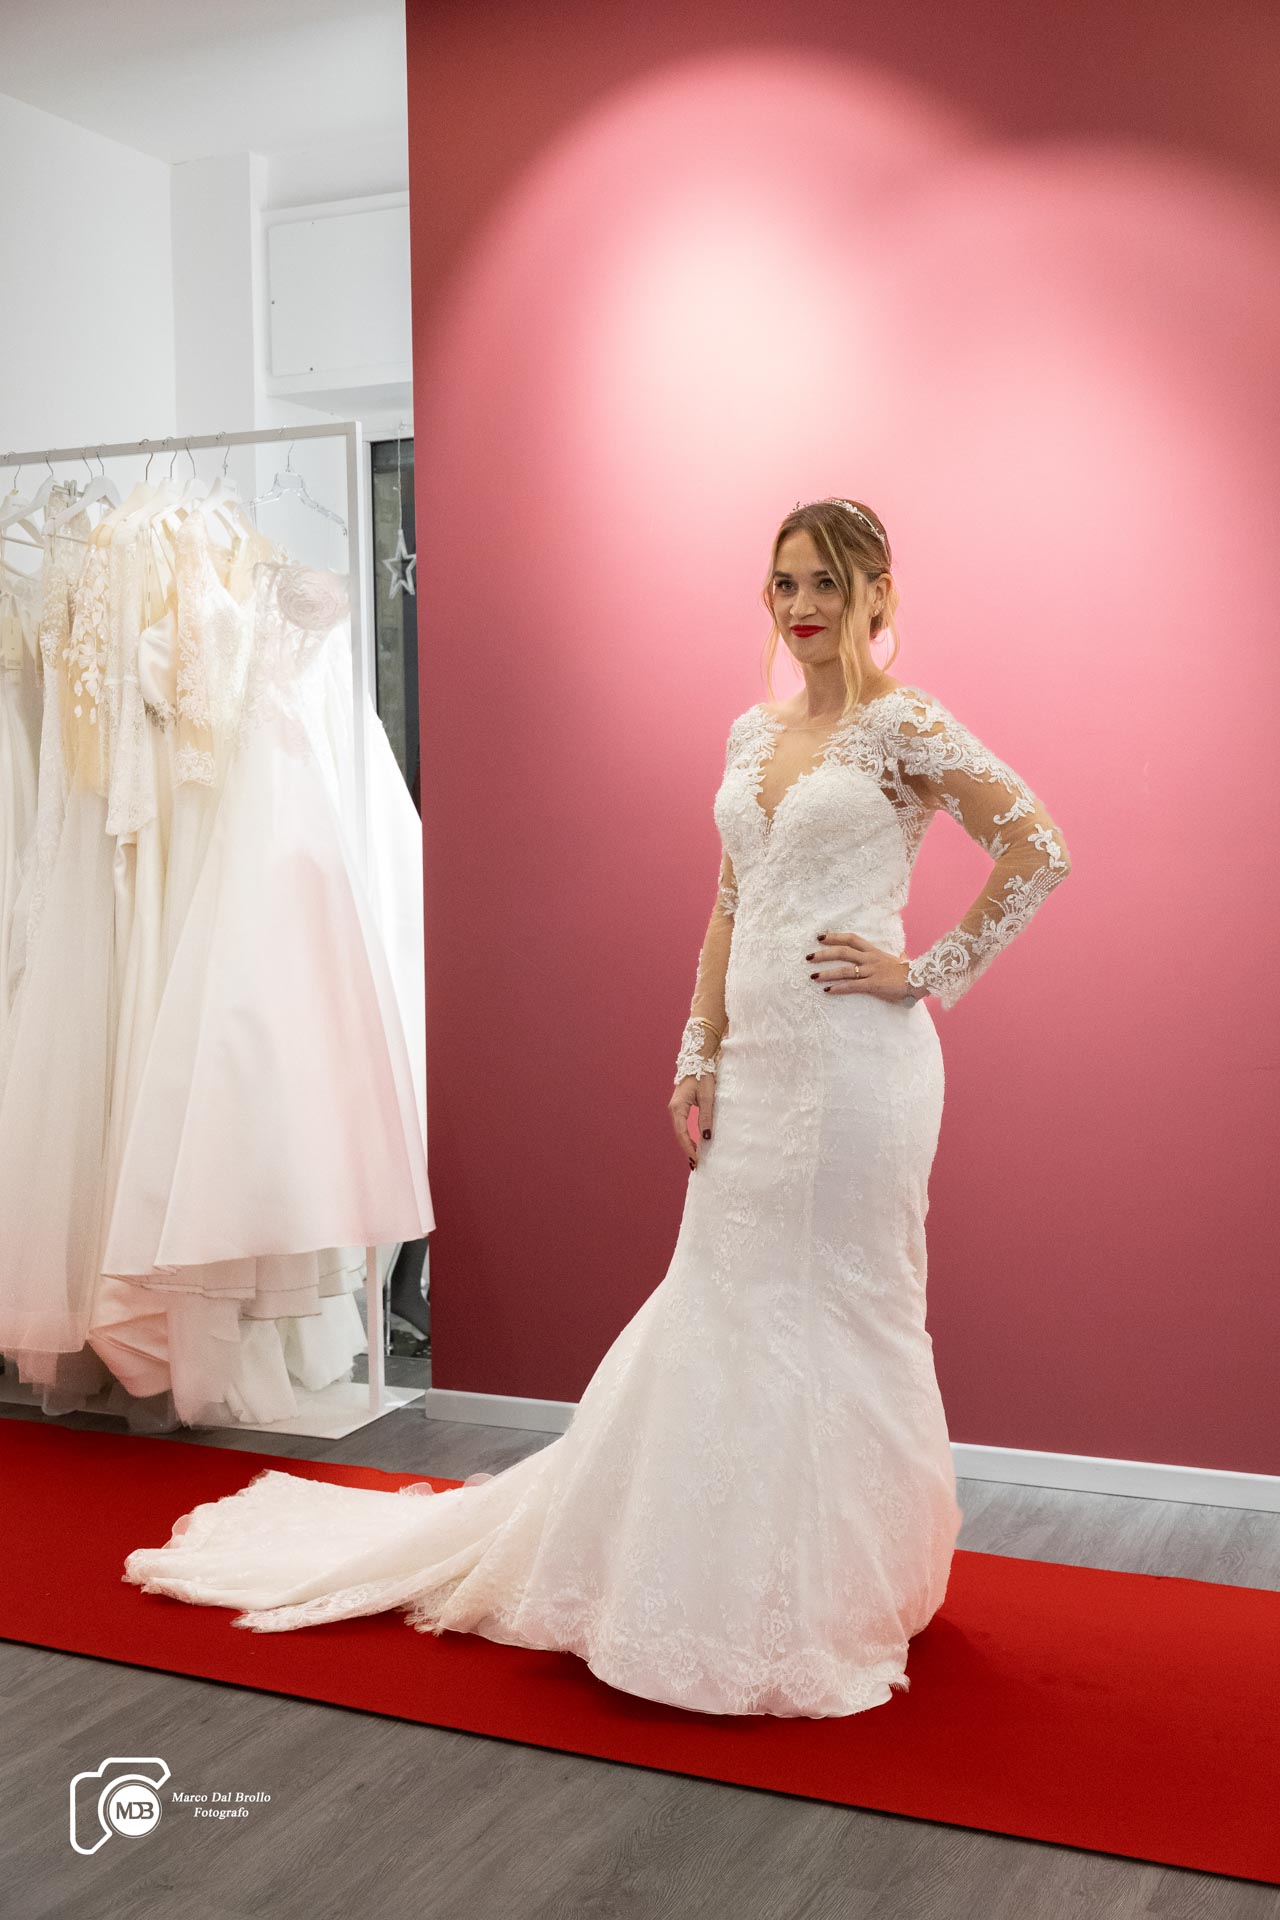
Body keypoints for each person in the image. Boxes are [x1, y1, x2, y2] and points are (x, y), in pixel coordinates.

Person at [121, 497, 1071, 1720]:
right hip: (758, 1067)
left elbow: (1035, 847)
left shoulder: (905, 727)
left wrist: (923, 971)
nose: (801, 607)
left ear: (877, 592)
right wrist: (696, 1052)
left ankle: (844, 1581)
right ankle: (707, 1571)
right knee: (727, 1303)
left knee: (853, 1307)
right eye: (784, 583)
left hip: (858, 1071)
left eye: (827, 583)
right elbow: (730, 904)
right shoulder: (751, 732)